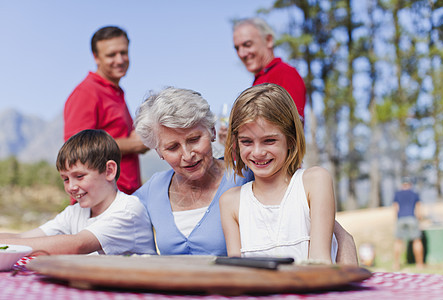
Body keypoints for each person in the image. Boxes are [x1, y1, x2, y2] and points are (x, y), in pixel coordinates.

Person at [133, 86, 357, 265]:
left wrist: (345, 256)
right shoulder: (153, 191)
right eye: (172, 147)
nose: (187, 155)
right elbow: (113, 219)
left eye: (193, 139)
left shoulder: (250, 175)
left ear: (212, 131)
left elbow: (307, 220)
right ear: (158, 151)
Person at [220, 83, 337, 263]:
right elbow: (237, 273)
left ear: (290, 140)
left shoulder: (314, 182)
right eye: (247, 142)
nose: (258, 152)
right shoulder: (231, 202)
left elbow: (321, 263)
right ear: (235, 143)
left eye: (269, 140)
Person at [0, 129, 155, 255]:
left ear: (109, 171)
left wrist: (10, 246)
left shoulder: (128, 210)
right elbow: (23, 237)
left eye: (79, 176)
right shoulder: (75, 212)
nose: (71, 187)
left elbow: (77, 244)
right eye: (65, 179)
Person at [64, 26, 148, 197]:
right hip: (101, 202)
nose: (120, 59)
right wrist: (134, 145)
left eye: (123, 52)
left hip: (124, 198)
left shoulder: (116, 93)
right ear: (96, 57)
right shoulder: (86, 93)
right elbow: (75, 150)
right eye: (111, 55)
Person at [233, 18, 307, 123]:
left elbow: (293, 127)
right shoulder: (261, 79)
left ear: (268, 40)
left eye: (247, 45)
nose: (241, 53)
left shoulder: (285, 74)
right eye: (237, 48)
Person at [393, 177, 424, 270]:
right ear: (410, 184)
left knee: (398, 241)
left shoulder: (397, 194)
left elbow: (395, 208)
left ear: (402, 184)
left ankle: (396, 264)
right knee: (417, 241)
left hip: (400, 218)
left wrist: (396, 219)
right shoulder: (414, 194)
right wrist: (419, 219)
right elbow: (418, 208)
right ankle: (420, 264)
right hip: (412, 218)